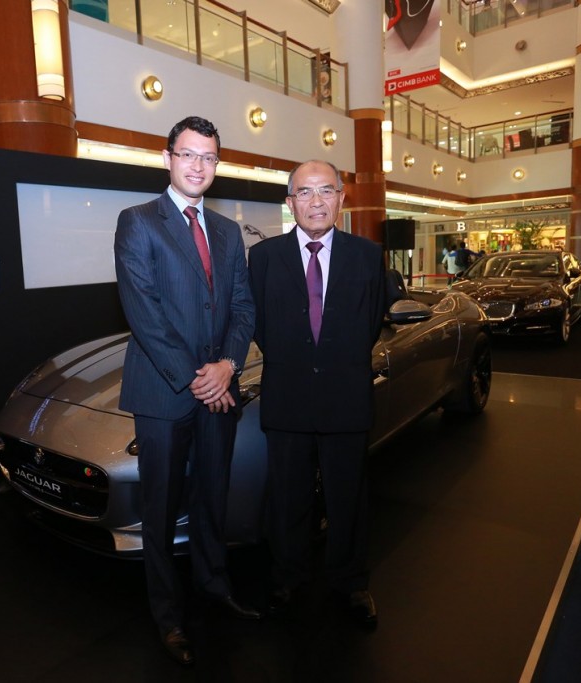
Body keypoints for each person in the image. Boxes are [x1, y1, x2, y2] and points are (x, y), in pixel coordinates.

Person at [113, 115, 259, 667]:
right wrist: (201, 378)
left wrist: (227, 364)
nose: (199, 165)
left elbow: (242, 308)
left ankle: (214, 587)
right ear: (168, 158)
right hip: (164, 393)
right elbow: (144, 313)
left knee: (211, 499)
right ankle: (168, 617)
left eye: (209, 157)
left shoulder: (226, 230)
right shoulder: (138, 222)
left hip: (219, 387)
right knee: (160, 508)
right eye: (189, 155)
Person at [248, 159, 387, 627]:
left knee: (349, 497)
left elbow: (370, 324)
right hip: (287, 397)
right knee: (288, 498)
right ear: (290, 203)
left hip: (346, 398)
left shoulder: (367, 256)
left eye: (325, 191)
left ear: (341, 199)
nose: (315, 201)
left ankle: (351, 583)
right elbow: (261, 327)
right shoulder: (264, 258)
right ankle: (287, 578)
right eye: (304, 193)